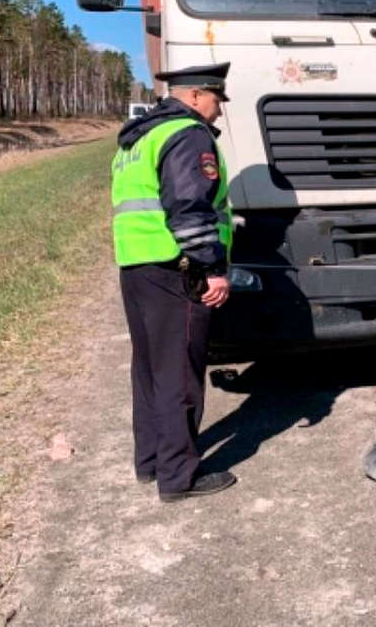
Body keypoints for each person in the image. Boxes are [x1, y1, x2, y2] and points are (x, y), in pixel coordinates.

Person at [111, 62, 237, 501]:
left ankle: (149, 462)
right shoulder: (187, 134)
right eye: (217, 100)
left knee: (148, 369)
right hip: (176, 269)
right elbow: (190, 209)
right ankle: (179, 476)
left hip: (137, 266)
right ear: (197, 96)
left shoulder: (139, 136)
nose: (219, 110)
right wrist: (212, 268)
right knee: (179, 374)